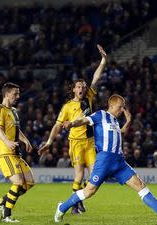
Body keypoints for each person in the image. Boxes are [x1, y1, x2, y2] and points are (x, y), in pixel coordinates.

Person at [54, 94, 157, 223]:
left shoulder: (115, 121)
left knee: (140, 184)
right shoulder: (100, 115)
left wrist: (129, 121)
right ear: (112, 105)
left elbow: (121, 132)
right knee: (89, 192)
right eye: (120, 107)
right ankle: (62, 208)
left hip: (119, 161)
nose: (122, 110)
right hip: (105, 159)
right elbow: (83, 120)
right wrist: (71, 123)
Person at [39, 44, 107, 214]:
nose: (82, 88)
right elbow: (57, 125)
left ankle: (79, 198)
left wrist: (104, 60)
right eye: (79, 86)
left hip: (91, 142)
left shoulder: (90, 96)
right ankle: (75, 205)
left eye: (84, 86)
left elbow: (96, 78)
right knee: (78, 175)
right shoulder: (68, 107)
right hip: (76, 143)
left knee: (95, 178)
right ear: (74, 89)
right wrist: (49, 141)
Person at [0, 83, 35, 222]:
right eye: (15, 94)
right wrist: (7, 142)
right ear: (6, 94)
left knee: (29, 182)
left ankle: (1, 202)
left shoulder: (14, 111)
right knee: (17, 183)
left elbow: (17, 130)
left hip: (15, 153)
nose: (18, 96)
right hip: (4, 153)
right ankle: (6, 215)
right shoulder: (0, 111)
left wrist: (26, 140)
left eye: (18, 93)